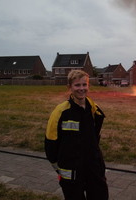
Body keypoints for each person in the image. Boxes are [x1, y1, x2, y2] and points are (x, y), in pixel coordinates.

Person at [45, 70, 108, 200]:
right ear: (70, 87)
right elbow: (50, 144)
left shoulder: (93, 108)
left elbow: (94, 139)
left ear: (88, 86)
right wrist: (60, 169)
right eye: (77, 85)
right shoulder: (61, 111)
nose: (81, 89)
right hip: (71, 173)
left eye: (84, 85)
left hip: (93, 169)